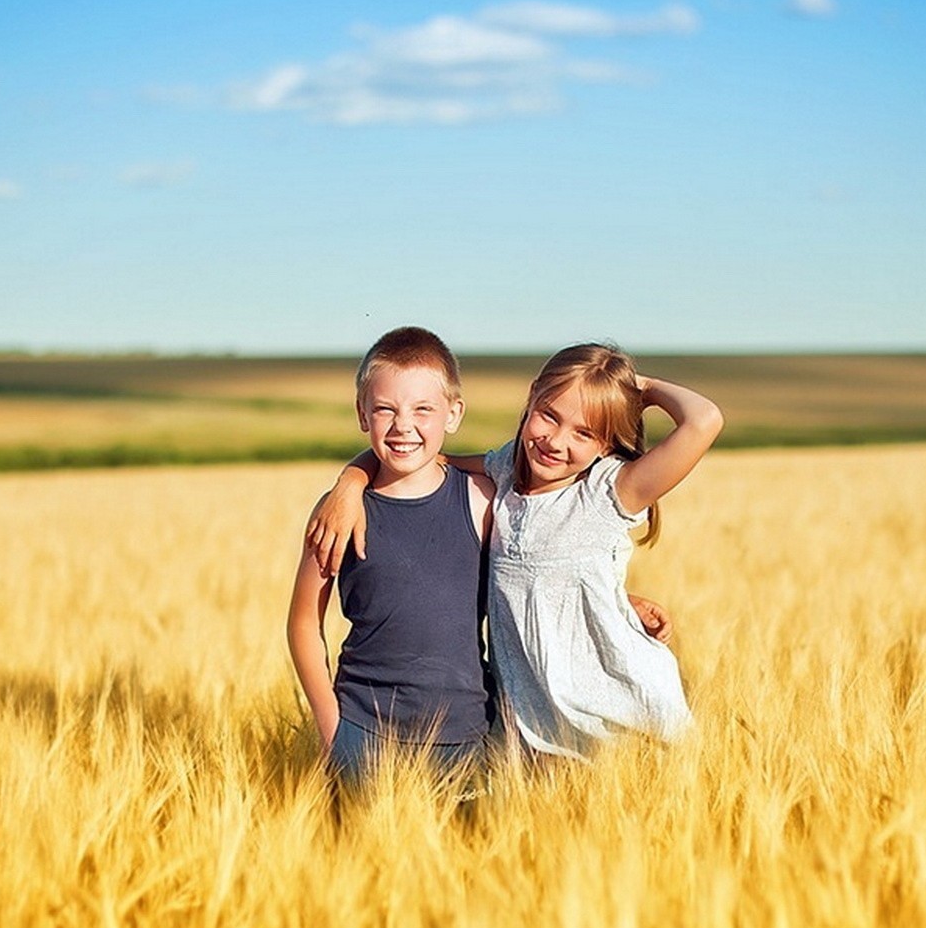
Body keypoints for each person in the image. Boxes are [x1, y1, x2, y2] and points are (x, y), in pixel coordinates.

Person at [307, 343, 723, 762]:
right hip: (535, 728)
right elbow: (423, 455)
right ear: (532, 398)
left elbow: (704, 420)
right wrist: (351, 480)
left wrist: (637, 388)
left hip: (617, 717)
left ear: (605, 445)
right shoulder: (504, 473)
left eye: (584, 432)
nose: (556, 441)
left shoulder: (611, 492)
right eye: (549, 415)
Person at [286, 327, 496, 788]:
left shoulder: (483, 501)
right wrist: (331, 730)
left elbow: (541, 574)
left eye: (424, 409)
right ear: (363, 414)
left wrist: (623, 604)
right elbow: (304, 622)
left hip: (465, 733)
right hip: (363, 733)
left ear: (454, 414)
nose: (404, 426)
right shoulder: (337, 512)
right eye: (385, 409)